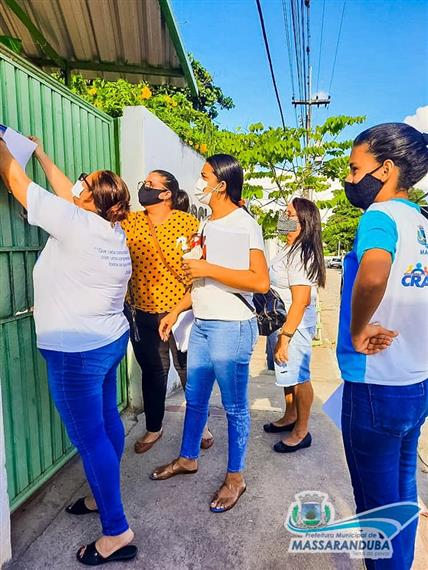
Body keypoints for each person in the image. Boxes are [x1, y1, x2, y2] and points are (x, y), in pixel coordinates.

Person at [0, 136, 137, 565]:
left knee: (89, 438)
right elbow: (67, 194)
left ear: (91, 199)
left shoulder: (75, 222)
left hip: (76, 352)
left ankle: (116, 531)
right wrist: (41, 153)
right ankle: (101, 497)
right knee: (107, 422)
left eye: (84, 181)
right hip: (108, 341)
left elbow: (17, 183)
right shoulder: (111, 231)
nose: (76, 184)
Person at [150, 154, 270, 514]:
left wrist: (208, 267)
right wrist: (176, 310)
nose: (199, 182)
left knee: (234, 406)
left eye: (205, 176)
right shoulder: (206, 224)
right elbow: (201, 281)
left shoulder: (244, 224)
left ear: (222, 184)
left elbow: (259, 281)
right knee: (196, 398)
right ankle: (188, 458)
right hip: (201, 324)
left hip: (231, 326)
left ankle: (236, 477)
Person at [337, 123, 428, 570]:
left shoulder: (379, 216)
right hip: (417, 381)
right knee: (403, 491)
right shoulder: (423, 222)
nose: (350, 179)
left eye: (356, 169)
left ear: (386, 169)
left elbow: (373, 274)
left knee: (377, 510)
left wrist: (358, 331)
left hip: (376, 384)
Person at [121, 170, 213, 453]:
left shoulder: (187, 223)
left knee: (189, 371)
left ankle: (202, 425)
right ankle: (154, 427)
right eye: (144, 183)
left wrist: (183, 306)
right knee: (153, 372)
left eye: (150, 184)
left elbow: (200, 267)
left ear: (166, 194)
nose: (144, 187)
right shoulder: (130, 221)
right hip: (141, 312)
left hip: (181, 312)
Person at [263, 199, 326, 452]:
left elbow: (301, 301)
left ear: (303, 221)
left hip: (294, 326)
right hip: (282, 322)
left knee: (300, 377)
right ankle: (290, 416)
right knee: (287, 375)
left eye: (288, 214)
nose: (283, 216)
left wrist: (285, 337)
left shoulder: (302, 253)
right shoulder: (288, 247)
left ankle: (302, 431)